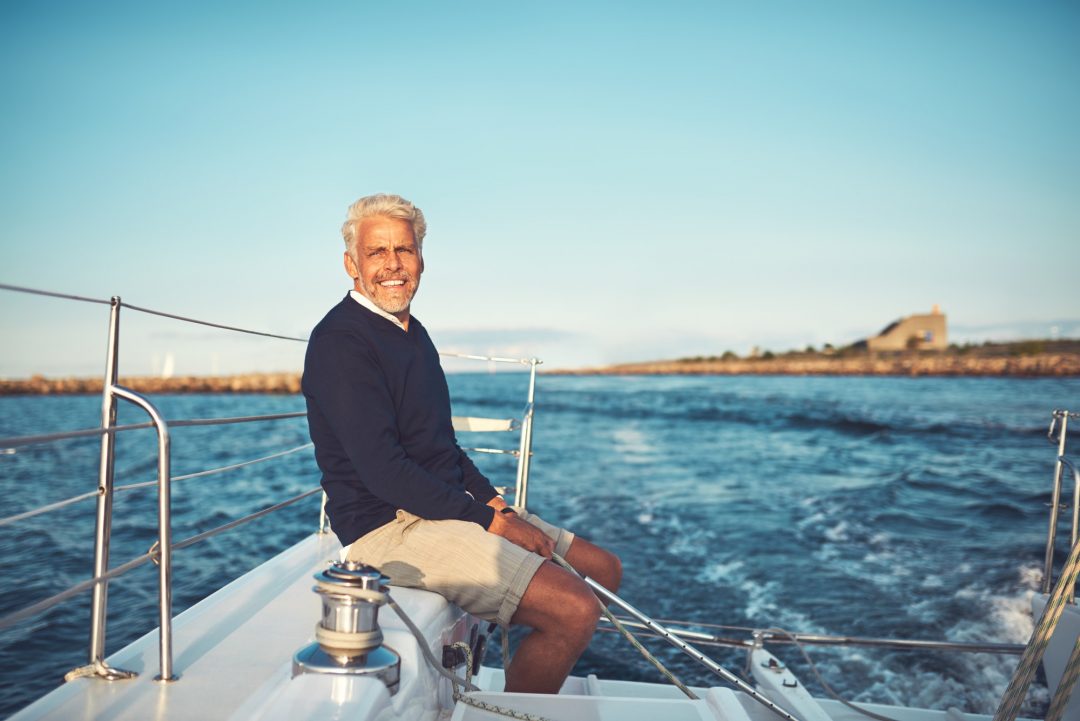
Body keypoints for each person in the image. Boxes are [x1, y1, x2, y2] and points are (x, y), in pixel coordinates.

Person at [302, 193, 621, 694]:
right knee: (574, 609)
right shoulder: (341, 341)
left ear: (421, 261)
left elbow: (442, 446)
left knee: (603, 570)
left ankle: (520, 679)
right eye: (377, 252)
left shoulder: (412, 333)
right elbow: (384, 472)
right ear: (351, 264)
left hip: (440, 507)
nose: (392, 264)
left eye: (403, 251)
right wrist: (490, 522)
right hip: (387, 528)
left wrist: (494, 502)